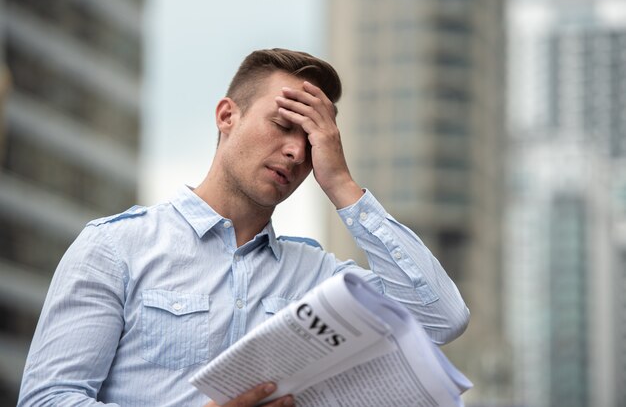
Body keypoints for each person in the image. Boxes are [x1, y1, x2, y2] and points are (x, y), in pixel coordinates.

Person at [17, 48, 469, 407]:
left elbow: (441, 320)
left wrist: (342, 184)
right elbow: (47, 399)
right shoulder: (116, 246)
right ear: (227, 116)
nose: (296, 151)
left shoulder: (319, 277)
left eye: (312, 140)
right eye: (282, 125)